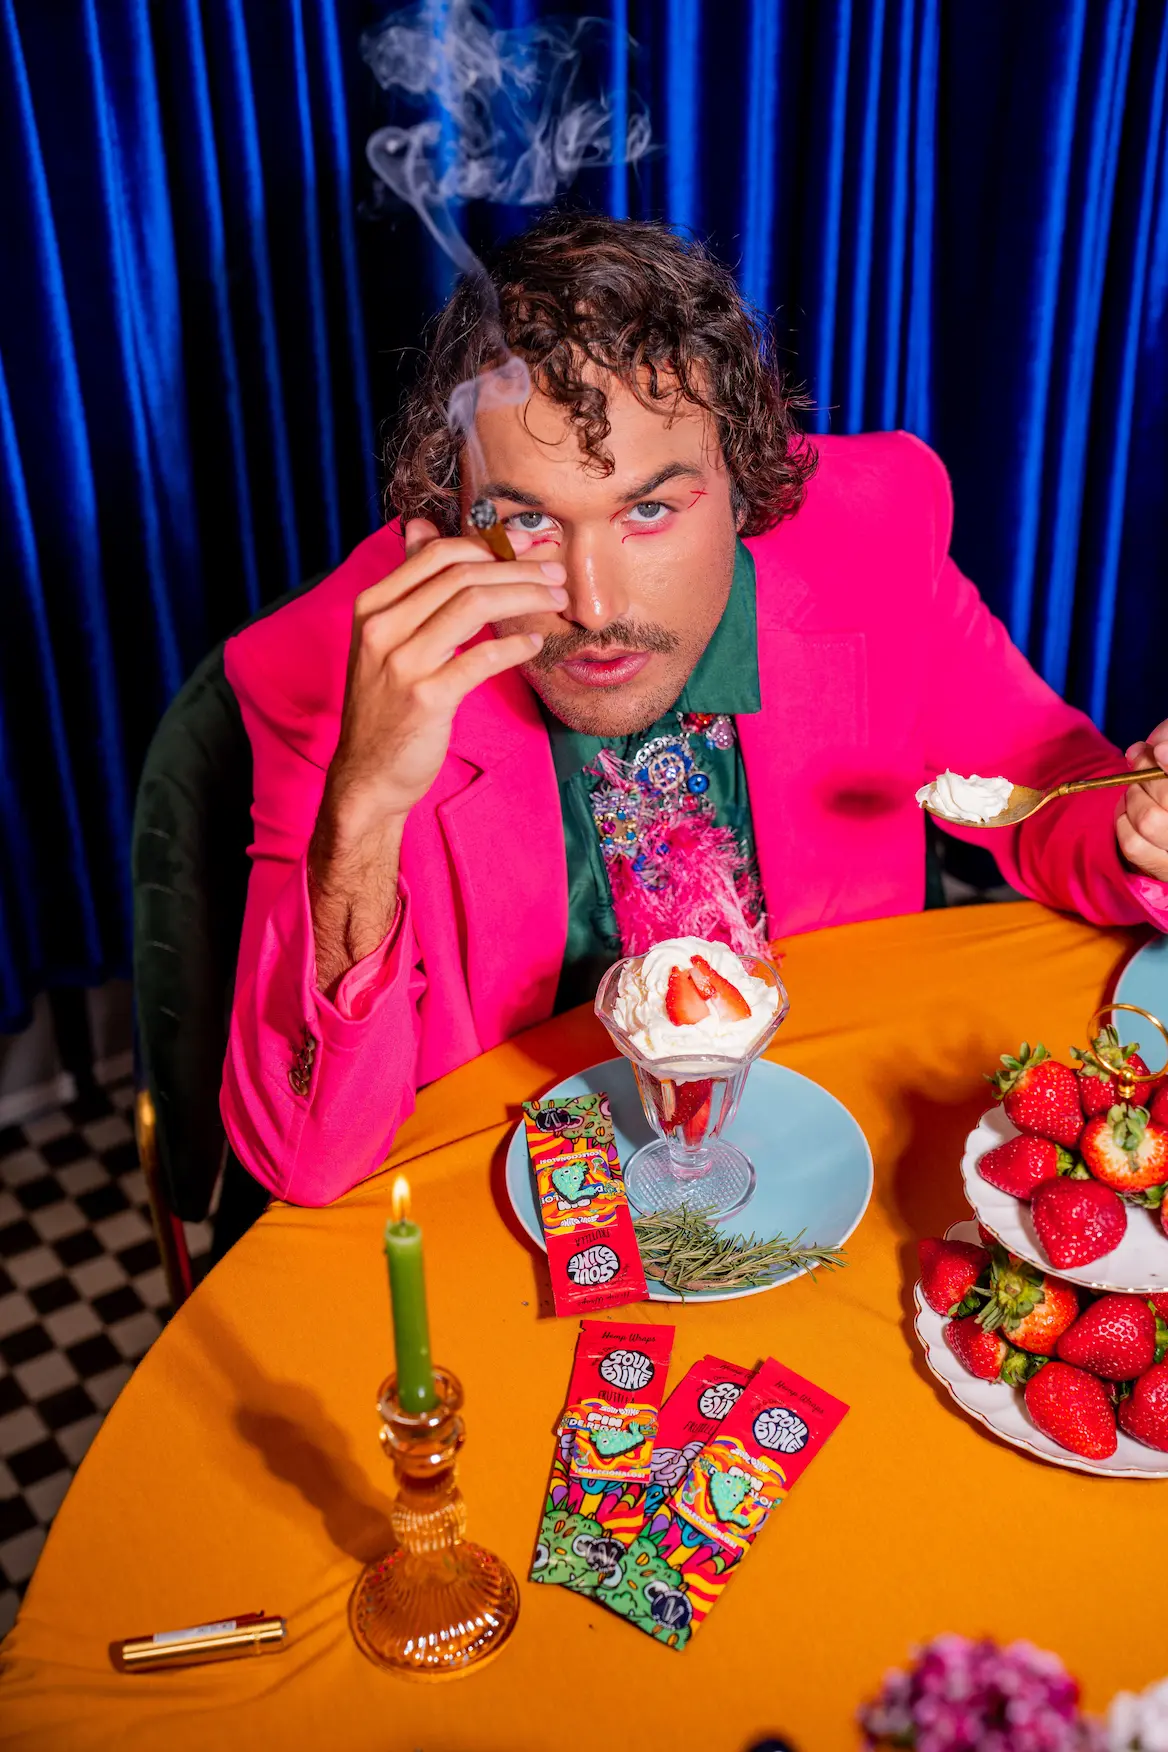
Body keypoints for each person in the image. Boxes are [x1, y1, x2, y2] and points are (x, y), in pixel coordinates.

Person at [220, 212, 1168, 1207]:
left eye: (648, 510)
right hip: (513, 1199)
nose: (592, 606)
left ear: (743, 478)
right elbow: (304, 1157)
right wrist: (362, 812)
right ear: (450, 514)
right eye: (529, 520)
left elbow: (1047, 788)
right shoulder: (330, 665)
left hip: (834, 1151)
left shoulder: (871, 534)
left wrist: (1142, 824)